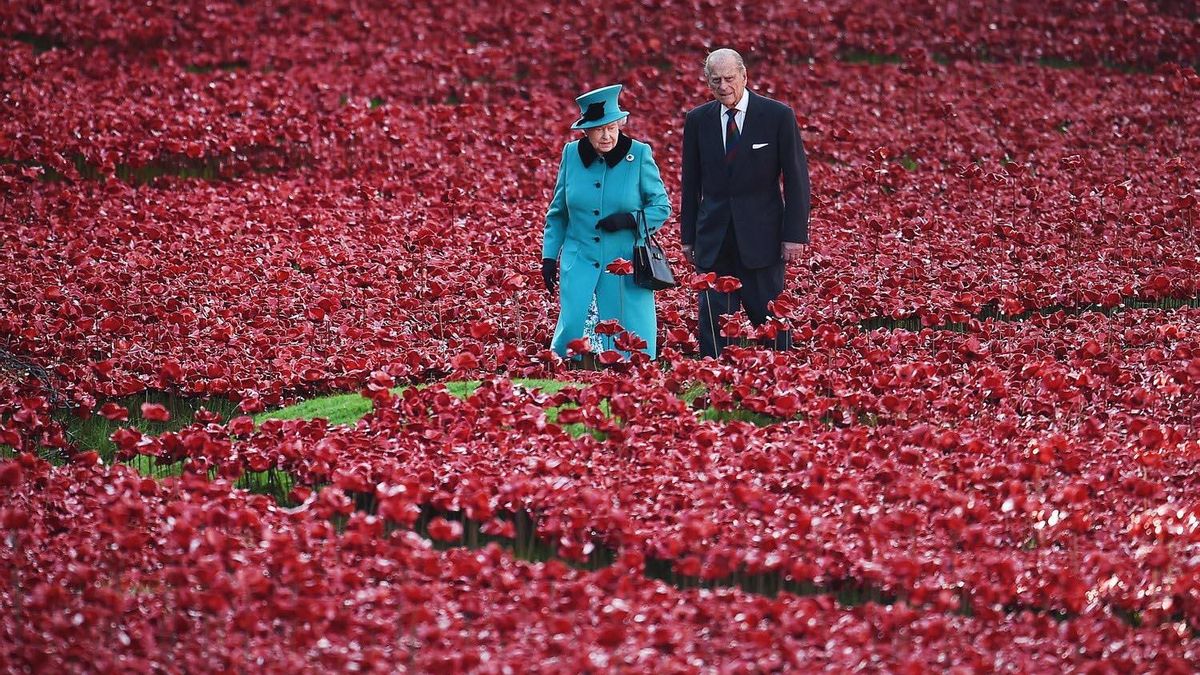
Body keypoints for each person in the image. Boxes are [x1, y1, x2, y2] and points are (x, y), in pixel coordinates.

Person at [680, 48, 811, 358]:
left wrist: (794, 235)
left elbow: (796, 179)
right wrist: (688, 238)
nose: (723, 87)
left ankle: (780, 383)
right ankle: (714, 383)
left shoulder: (777, 116)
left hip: (762, 240)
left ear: (744, 76)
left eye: (729, 79)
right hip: (714, 239)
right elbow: (691, 183)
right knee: (712, 323)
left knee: (771, 321)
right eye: (715, 81)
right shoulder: (698, 120)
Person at [542, 84, 671, 360]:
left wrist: (631, 220)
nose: (607, 135)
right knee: (573, 347)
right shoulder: (571, 156)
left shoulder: (639, 155)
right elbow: (558, 213)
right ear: (585, 131)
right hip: (580, 262)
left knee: (630, 349)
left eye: (612, 127)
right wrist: (549, 257)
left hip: (624, 265)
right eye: (599, 129)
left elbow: (661, 206)